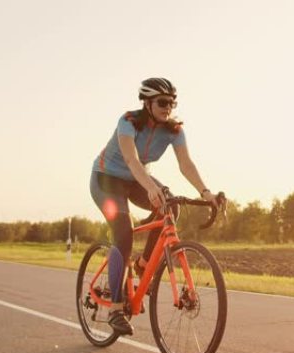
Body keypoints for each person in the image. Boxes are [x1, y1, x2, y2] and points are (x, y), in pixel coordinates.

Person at [90, 77, 219, 335]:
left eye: (171, 103)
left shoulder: (174, 130)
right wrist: (151, 187)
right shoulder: (127, 122)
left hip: (136, 180)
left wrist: (205, 192)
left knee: (170, 208)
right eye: (162, 102)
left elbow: (186, 164)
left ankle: (143, 264)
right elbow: (131, 158)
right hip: (107, 179)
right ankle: (115, 309)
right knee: (123, 235)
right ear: (147, 103)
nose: (167, 107)